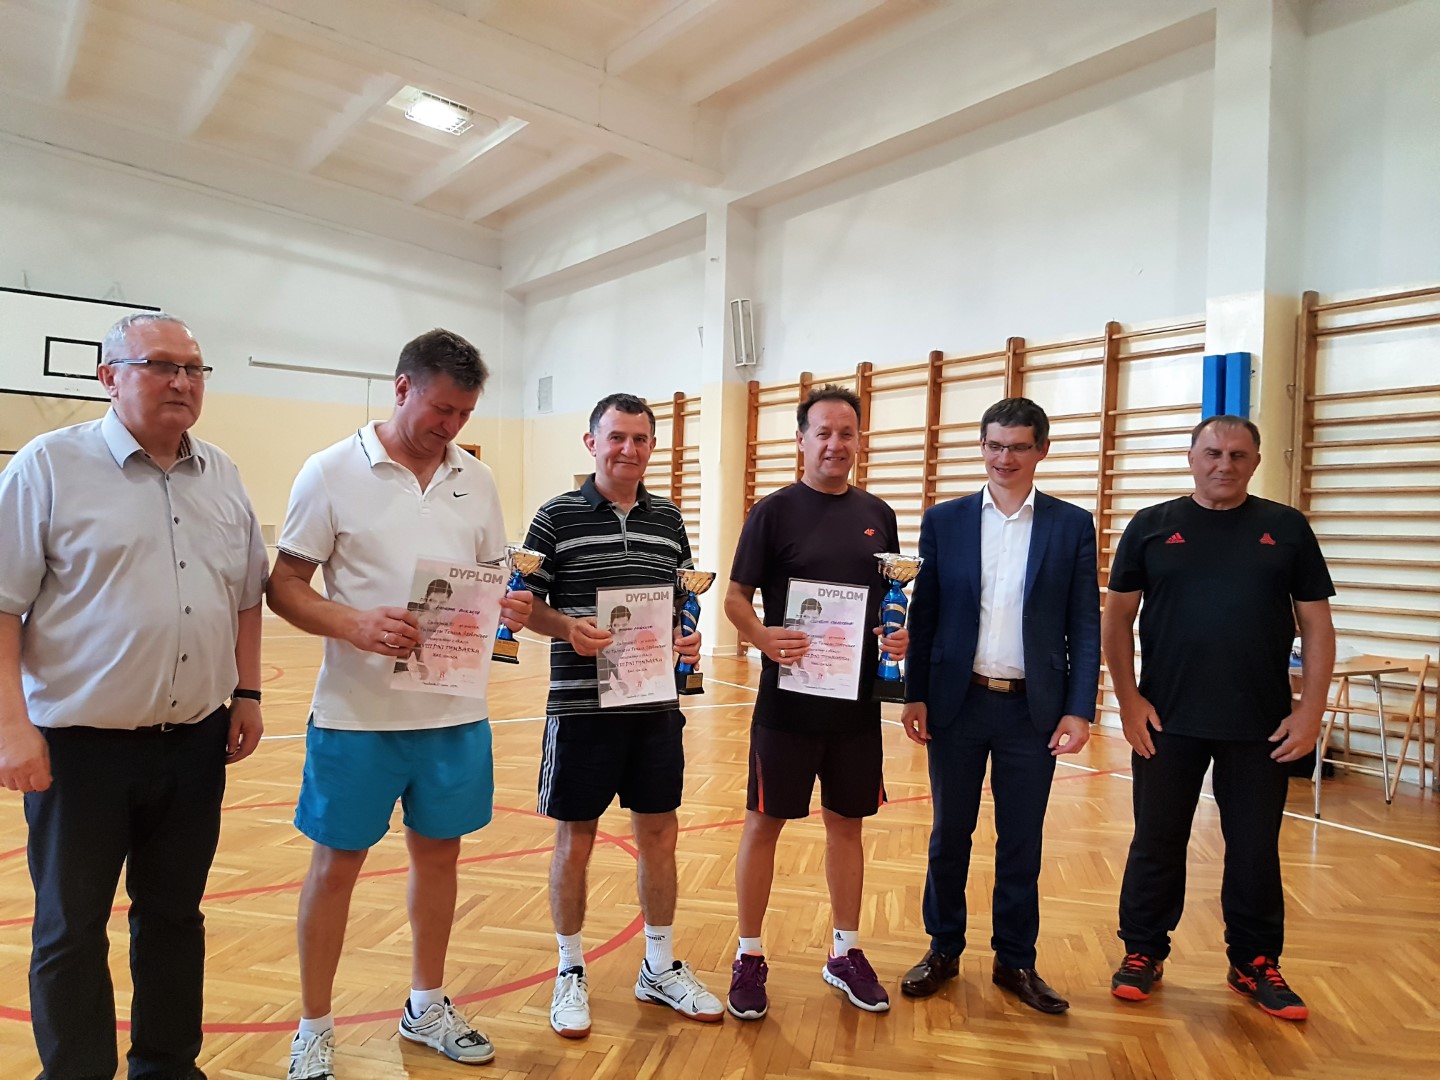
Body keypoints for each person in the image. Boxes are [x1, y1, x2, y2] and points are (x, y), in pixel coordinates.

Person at [0, 311, 267, 1080]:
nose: (182, 381)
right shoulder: (49, 466)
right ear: (109, 377)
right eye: (160, 365)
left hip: (194, 745)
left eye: (194, 367)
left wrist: (247, 691)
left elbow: (246, 594)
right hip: (77, 751)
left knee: (176, 917)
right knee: (71, 929)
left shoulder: (223, 474)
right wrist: (12, 727)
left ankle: (167, 1066)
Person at [268, 329, 532, 1079]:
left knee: (440, 860)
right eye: (441, 409)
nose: (451, 426)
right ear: (402, 387)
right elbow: (283, 586)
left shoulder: (476, 479)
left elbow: (489, 580)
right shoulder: (329, 471)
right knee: (335, 867)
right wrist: (352, 623)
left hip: (454, 715)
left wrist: (508, 607)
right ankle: (314, 1027)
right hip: (357, 717)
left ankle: (426, 1005)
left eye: (465, 413)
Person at [1103, 415, 1335, 1021]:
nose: (1223, 464)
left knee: (1255, 849)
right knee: (1156, 841)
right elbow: (1116, 619)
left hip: (1262, 726)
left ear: (1255, 461)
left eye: (1237, 455)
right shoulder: (1151, 526)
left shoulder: (1286, 528)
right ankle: (1143, 951)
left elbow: (1316, 625)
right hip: (1166, 719)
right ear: (1191, 457)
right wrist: (1128, 700)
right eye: (1212, 452)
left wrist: (1310, 712)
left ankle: (1253, 962)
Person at [522, 392, 718, 1039]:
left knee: (659, 834)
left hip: (654, 705)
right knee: (575, 838)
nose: (627, 450)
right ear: (592, 443)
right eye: (616, 437)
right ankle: (570, 969)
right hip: (580, 709)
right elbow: (523, 604)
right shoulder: (555, 517)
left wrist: (688, 639)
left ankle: (658, 966)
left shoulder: (669, 520)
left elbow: (681, 600)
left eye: (639, 439)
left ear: (652, 446)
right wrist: (566, 628)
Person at [898, 397, 1100, 1014]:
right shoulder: (945, 520)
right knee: (948, 835)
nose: (1004, 457)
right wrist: (914, 693)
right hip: (956, 703)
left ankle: (1016, 960)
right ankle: (943, 948)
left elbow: (1084, 622)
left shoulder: (1071, 525)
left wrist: (1080, 708)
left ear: (1042, 450)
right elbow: (925, 614)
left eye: (1017, 447)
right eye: (994, 445)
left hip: (1032, 712)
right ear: (981, 447)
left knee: (1021, 841)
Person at [722, 384, 909, 1020]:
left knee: (847, 826)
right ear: (801, 439)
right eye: (823, 432)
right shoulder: (772, 512)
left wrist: (897, 635)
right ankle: (749, 955)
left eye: (846, 433)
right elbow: (735, 597)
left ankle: (845, 952)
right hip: (787, 704)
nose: (835, 444)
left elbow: (889, 601)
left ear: (859, 440)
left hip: (855, 707)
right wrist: (761, 636)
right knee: (764, 824)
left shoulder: (878, 514)